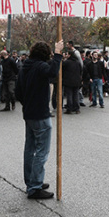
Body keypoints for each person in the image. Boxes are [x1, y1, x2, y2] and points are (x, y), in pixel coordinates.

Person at [17, 40, 63, 199]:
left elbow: (18, 92)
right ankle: (35, 186)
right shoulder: (40, 66)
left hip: (28, 113)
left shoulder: (25, 66)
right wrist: (58, 54)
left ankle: (31, 181)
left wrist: (27, 104)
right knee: (42, 151)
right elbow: (53, 73)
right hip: (40, 114)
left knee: (30, 149)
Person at [62, 49, 83, 114]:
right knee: (75, 95)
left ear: (69, 55)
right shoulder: (77, 62)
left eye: (67, 54)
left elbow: (62, 69)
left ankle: (69, 108)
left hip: (68, 81)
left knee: (69, 95)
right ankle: (77, 108)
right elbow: (81, 70)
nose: (66, 55)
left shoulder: (66, 62)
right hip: (76, 81)